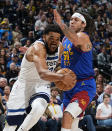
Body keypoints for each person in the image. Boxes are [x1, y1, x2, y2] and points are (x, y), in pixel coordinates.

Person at [3, 24, 76, 131]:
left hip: (42, 85)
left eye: (57, 38)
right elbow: (43, 72)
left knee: (39, 107)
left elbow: (57, 62)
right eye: (51, 38)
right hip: (24, 85)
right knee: (11, 125)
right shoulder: (37, 48)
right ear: (44, 37)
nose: (54, 41)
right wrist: (61, 77)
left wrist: (63, 71)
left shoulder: (59, 47)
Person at [54, 9, 96, 131]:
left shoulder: (83, 37)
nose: (72, 22)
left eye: (76, 20)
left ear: (84, 24)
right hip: (68, 86)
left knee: (67, 115)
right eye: (71, 19)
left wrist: (61, 23)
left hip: (84, 85)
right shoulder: (65, 40)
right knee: (72, 126)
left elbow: (75, 39)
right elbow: (59, 59)